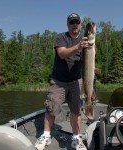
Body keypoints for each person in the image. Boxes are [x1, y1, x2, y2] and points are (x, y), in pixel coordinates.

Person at [35, 13, 91, 150]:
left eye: (77, 22)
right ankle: (46, 135)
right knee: (51, 108)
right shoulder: (61, 37)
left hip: (76, 81)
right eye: (72, 22)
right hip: (58, 81)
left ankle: (76, 138)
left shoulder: (86, 42)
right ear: (68, 24)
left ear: (80, 25)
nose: (74, 25)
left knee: (76, 110)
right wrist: (78, 47)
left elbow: (89, 62)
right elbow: (62, 54)